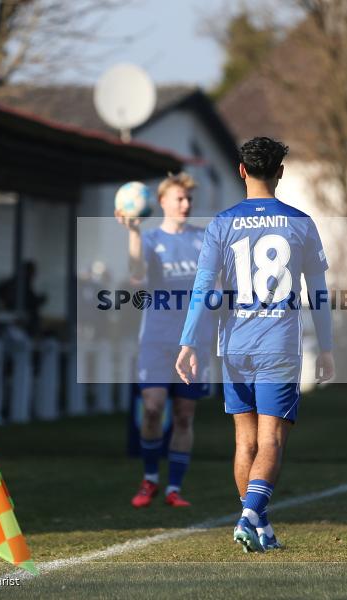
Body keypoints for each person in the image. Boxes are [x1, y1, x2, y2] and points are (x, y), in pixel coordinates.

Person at [176, 137, 335, 552]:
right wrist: (327, 346)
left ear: (242, 171)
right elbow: (318, 293)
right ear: (280, 172)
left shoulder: (221, 224)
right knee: (271, 442)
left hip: (235, 346)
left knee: (244, 442)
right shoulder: (301, 223)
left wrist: (188, 342)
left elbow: (202, 288)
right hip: (278, 346)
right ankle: (249, 517)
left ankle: (261, 527)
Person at [116, 172, 210, 508]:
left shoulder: (203, 239)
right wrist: (133, 233)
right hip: (156, 339)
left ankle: (174, 488)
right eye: (179, 199)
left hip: (193, 343)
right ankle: (150, 478)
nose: (185, 204)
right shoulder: (151, 239)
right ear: (162, 202)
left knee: (184, 415)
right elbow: (136, 273)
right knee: (153, 409)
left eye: (189, 199)